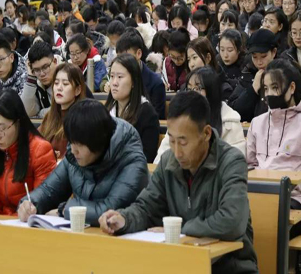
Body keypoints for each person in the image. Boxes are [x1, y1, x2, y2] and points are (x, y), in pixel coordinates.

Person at [99, 91, 258, 273]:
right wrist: (124, 219)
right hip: (183, 263)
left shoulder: (231, 162)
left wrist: (177, 229)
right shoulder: (168, 161)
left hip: (229, 266)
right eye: (172, 140)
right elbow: (146, 207)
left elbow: (232, 221)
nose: (177, 152)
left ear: (206, 133)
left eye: (183, 142)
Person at [247, 59, 301, 274]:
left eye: (275, 88)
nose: (269, 94)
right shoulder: (257, 123)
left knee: (267, 225)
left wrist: (285, 185)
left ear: (291, 88)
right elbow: (249, 165)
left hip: (296, 200)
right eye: (266, 88)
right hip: (258, 197)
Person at [18, 99, 149, 226]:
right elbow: (48, 190)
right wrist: (29, 203)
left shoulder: (132, 161)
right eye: (71, 142)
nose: (73, 150)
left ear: (98, 141)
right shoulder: (74, 156)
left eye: (79, 144)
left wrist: (64, 210)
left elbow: (110, 211)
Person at [0, 90, 56, 215]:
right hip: (1, 226)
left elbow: (42, 205)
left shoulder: (40, 150)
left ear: (18, 122)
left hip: (28, 226)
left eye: (2, 128)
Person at [155, 67, 246, 163]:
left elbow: (236, 162)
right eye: (189, 88)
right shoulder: (179, 118)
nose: (192, 93)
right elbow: (160, 159)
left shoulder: (229, 121)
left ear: (211, 91)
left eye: (197, 88)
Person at [105, 54, 160, 163]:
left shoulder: (147, 113)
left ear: (134, 81)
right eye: (112, 76)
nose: (114, 83)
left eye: (120, 77)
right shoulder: (107, 111)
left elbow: (147, 156)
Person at [38, 63, 87, 158]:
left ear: (77, 90)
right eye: (56, 83)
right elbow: (35, 142)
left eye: (65, 84)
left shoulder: (81, 120)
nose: (59, 88)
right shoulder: (50, 116)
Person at [116, 29, 166, 120]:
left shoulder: (155, 83)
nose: (122, 62)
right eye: (119, 58)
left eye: (126, 57)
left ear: (138, 54)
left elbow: (157, 120)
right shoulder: (116, 80)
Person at [228, 29, 277, 123]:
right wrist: (253, 89)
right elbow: (233, 110)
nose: (259, 62)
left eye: (263, 56)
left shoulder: (283, 74)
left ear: (274, 52)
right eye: (254, 57)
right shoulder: (248, 73)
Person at [21, 41, 62, 118]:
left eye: (45, 67)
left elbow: (66, 108)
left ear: (54, 61)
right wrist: (31, 77)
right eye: (37, 70)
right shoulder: (36, 83)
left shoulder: (69, 76)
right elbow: (27, 112)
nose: (42, 74)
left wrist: (41, 113)